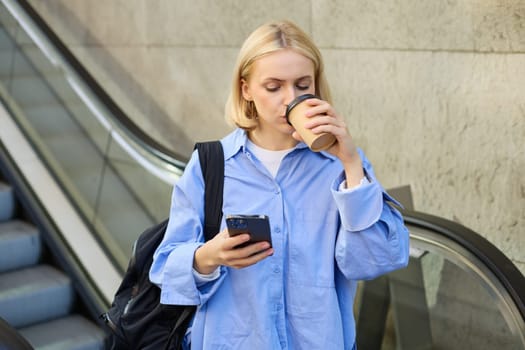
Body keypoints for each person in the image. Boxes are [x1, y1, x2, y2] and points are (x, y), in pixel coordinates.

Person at [150, 19, 409, 350]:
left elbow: (375, 261)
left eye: (303, 85)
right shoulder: (211, 165)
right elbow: (165, 269)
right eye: (273, 87)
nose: (290, 99)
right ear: (246, 89)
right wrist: (208, 256)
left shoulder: (340, 168)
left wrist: (352, 162)